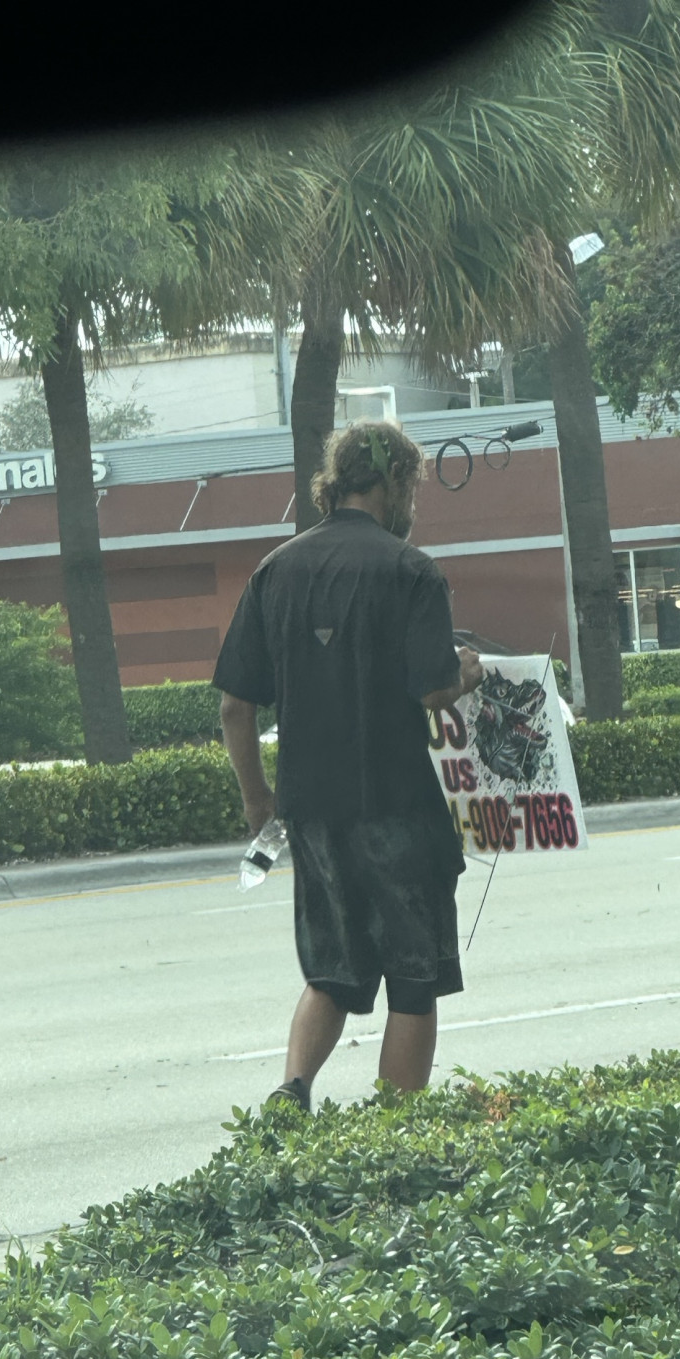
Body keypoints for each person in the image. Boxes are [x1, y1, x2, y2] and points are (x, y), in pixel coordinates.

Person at [213, 419, 484, 1111]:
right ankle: (392, 1131)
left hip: (311, 811)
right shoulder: (411, 571)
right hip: (401, 809)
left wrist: (259, 801)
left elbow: (234, 707)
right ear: (395, 483)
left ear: (336, 482)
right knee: (414, 979)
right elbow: (432, 687)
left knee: (331, 970)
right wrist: (468, 674)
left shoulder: (275, 570)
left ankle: (292, 1089)